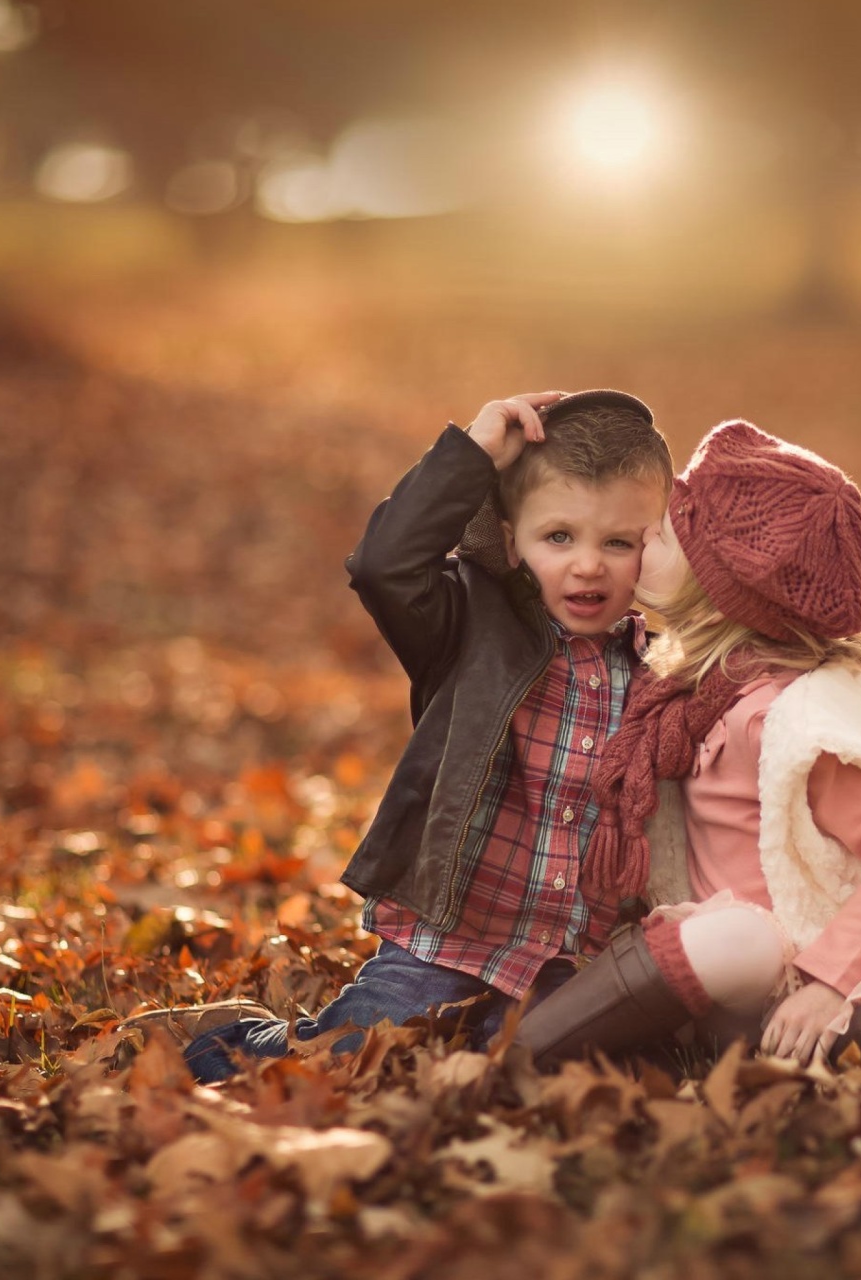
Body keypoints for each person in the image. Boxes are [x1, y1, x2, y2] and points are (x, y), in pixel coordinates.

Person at [130, 389, 674, 1082]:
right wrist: (471, 457)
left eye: (618, 542)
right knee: (358, 1058)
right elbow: (383, 566)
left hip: (569, 959)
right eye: (558, 537)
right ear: (511, 537)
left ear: (654, 547)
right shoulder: (471, 624)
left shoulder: (663, 671)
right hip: (446, 943)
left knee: (537, 1071)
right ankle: (231, 1041)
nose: (588, 565)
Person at [511, 419, 861, 1069]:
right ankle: (525, 1052)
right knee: (740, 940)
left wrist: (826, 984)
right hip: (728, 973)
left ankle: (830, 1051)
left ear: (723, 591)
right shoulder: (680, 694)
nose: (646, 533)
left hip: (827, 973)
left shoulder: (792, 718)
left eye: (668, 532)